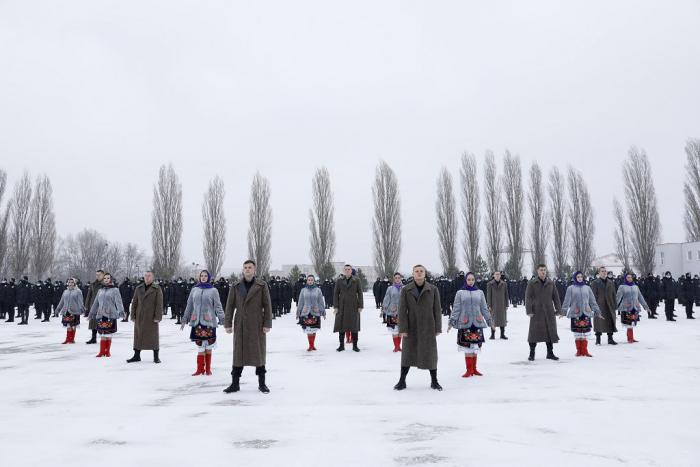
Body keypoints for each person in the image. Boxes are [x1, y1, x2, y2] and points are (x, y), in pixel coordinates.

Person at [223, 260, 273, 394]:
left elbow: (267, 305)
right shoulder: (236, 286)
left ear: (254, 269)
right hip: (241, 324)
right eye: (245, 267)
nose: (247, 270)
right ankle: (235, 383)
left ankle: (262, 383)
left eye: (250, 267)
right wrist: (227, 324)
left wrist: (267, 324)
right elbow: (229, 306)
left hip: (257, 324)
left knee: (259, 353)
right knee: (238, 354)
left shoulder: (261, 285)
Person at [393, 265, 443, 391]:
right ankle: (402, 381)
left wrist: (438, 327)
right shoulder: (406, 290)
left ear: (425, 273)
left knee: (431, 354)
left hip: (428, 326)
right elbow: (402, 310)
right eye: (417, 271)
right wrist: (403, 329)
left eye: (421, 271)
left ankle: (434, 381)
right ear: (413, 274)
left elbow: (437, 310)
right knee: (407, 355)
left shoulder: (433, 289)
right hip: (411, 327)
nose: (419, 273)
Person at [181, 270, 224, 375]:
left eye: (205, 276)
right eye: (202, 276)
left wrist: (222, 318)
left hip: (209, 322)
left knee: (208, 346)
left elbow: (218, 306)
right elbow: (189, 305)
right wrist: (184, 318)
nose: (203, 277)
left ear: (208, 278)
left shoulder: (213, 290)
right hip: (197, 321)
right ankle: (200, 369)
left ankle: (208, 369)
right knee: (200, 346)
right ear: (199, 277)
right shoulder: (194, 290)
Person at [449, 272, 493, 377]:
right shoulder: (460, 293)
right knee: (467, 347)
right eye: (469, 279)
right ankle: (469, 370)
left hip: (477, 323)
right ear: (465, 280)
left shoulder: (480, 292)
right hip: (465, 322)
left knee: (475, 347)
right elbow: (456, 308)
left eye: (472, 279)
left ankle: (474, 369)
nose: (471, 281)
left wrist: (489, 321)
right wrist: (452, 321)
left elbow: (484, 308)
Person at [525, 264, 562, 361]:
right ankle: (532, 353)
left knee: (550, 333)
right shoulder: (532, 283)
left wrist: (558, 310)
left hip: (549, 311)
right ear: (537, 271)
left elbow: (556, 297)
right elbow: (528, 298)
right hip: (536, 311)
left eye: (544, 270)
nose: (543, 272)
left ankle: (550, 353)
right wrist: (529, 310)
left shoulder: (551, 283)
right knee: (533, 333)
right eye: (541, 270)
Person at [560, 271, 602, 357]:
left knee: (585, 333)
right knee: (578, 333)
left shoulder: (587, 288)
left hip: (586, 312)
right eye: (578, 277)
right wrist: (563, 312)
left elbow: (592, 301)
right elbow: (567, 301)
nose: (580, 278)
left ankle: (585, 351)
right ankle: (579, 351)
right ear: (575, 278)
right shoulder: (570, 288)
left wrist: (597, 311)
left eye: (581, 277)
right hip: (576, 312)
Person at [127, 270, 164, 364]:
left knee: (153, 336)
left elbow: (159, 304)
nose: (147, 277)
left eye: (149, 276)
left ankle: (156, 356)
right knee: (138, 336)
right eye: (146, 276)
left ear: (153, 277)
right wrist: (133, 315)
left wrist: (158, 316)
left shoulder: (157, 288)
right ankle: (136, 355)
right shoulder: (138, 288)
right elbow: (134, 302)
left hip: (151, 317)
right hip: (139, 316)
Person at [87, 273, 125, 358]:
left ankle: (107, 352)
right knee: (102, 334)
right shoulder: (100, 290)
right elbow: (95, 303)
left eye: (108, 278)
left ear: (111, 279)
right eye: (105, 278)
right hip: (100, 314)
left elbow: (118, 302)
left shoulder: (115, 290)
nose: (106, 280)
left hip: (110, 314)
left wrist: (121, 312)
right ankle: (101, 352)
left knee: (108, 334)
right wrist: (91, 313)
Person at [333, 264, 364, 352]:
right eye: (345, 269)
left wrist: (360, 306)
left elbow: (360, 293)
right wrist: (336, 306)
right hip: (342, 306)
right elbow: (336, 294)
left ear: (351, 270)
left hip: (353, 306)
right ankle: (341, 346)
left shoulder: (356, 280)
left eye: (349, 269)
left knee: (354, 326)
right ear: (343, 271)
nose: (347, 271)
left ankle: (355, 346)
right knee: (341, 326)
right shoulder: (339, 280)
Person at [616, 272, 650, 344]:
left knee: (632, 323)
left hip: (635, 307)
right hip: (626, 307)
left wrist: (645, 306)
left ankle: (631, 338)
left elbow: (640, 297)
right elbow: (618, 297)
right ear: (625, 278)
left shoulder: (635, 287)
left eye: (630, 277)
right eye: (628, 277)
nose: (629, 279)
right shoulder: (622, 287)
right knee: (628, 324)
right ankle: (630, 338)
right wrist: (615, 306)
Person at [295, 274, 326, 351]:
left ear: (314, 281)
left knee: (314, 329)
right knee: (308, 330)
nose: (310, 281)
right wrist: (298, 312)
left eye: (312, 280)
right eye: (309, 280)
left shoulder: (318, 290)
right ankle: (310, 346)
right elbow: (300, 302)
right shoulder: (303, 290)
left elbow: (321, 302)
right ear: (307, 281)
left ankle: (312, 344)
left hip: (315, 311)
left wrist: (323, 312)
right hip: (306, 312)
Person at [590, 266, 618, 345]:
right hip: (600, 305)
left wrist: (615, 305)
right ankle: (598, 339)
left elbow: (614, 294)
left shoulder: (611, 282)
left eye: (605, 271)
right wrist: (594, 306)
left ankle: (610, 339)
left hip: (610, 305)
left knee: (610, 321)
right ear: (599, 273)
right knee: (599, 322)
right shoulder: (595, 282)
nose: (604, 272)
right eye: (602, 271)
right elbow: (593, 296)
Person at [56, 278, 84, 344]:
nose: (70, 284)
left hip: (75, 310)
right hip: (66, 310)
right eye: (69, 282)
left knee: (73, 325)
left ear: (74, 283)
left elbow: (80, 301)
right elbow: (62, 301)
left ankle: (72, 339)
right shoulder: (65, 291)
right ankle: (68, 339)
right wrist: (58, 309)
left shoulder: (78, 291)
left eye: (72, 282)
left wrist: (82, 309)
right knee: (68, 325)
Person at [382, 272, 404, 352]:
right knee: (394, 330)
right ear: (394, 279)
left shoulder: (404, 288)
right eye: (396, 278)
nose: (397, 279)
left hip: (402, 312)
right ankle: (396, 346)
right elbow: (386, 299)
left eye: (399, 278)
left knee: (400, 330)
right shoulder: (390, 288)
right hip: (392, 312)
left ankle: (399, 346)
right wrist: (385, 309)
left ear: (401, 279)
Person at [486, 271, 509, 340]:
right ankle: (492, 334)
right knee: (493, 320)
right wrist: (489, 305)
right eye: (496, 274)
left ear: (500, 275)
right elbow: (488, 295)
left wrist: (507, 304)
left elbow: (506, 295)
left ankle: (502, 334)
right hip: (494, 304)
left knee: (503, 319)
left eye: (499, 274)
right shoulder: (490, 284)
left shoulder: (504, 284)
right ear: (493, 275)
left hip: (502, 304)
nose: (497, 275)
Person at [84, 270, 105, 344]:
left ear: (103, 275)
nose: (97, 276)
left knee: (103, 323)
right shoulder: (93, 284)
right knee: (93, 322)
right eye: (97, 275)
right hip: (93, 305)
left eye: (99, 275)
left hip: (102, 306)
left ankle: (104, 338)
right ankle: (93, 338)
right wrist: (86, 305)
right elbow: (89, 295)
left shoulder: (105, 284)